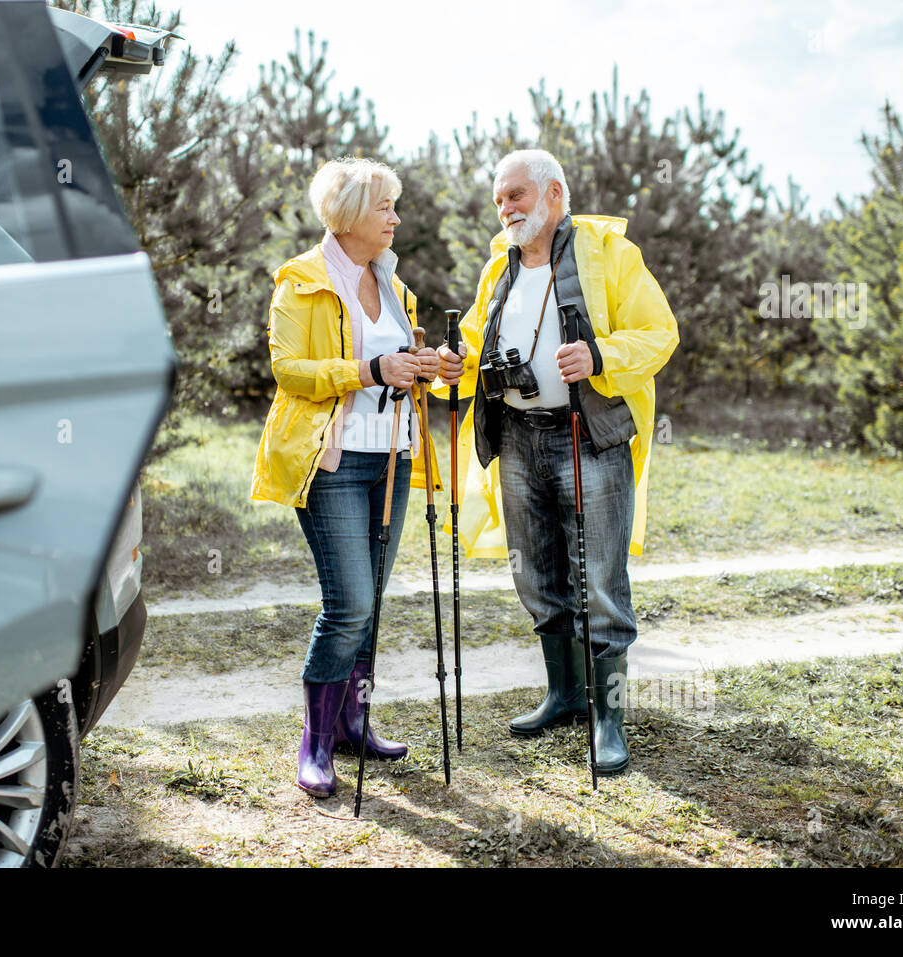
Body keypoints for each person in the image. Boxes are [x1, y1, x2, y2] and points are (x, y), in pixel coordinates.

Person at [436, 149, 678, 775]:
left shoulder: (609, 255)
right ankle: (564, 695)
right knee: (538, 575)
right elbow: (470, 350)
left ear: (554, 195)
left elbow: (660, 333)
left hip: (589, 435)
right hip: (517, 438)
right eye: (498, 199)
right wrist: (445, 368)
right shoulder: (500, 270)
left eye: (515, 195)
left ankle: (608, 717)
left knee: (599, 579)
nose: (505, 208)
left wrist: (599, 357)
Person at [251, 157, 442, 798]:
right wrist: (369, 370)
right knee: (350, 603)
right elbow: (289, 371)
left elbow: (397, 363)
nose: (395, 217)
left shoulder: (394, 286)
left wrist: (427, 365)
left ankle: (354, 723)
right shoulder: (300, 281)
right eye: (385, 206)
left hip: (394, 457)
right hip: (331, 461)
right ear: (350, 213)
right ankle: (316, 739)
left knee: (374, 605)